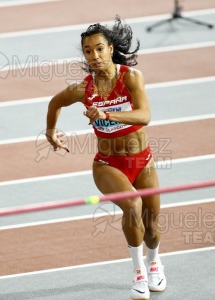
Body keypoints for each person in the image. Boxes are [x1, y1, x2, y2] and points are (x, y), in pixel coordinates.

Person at [46, 16, 166, 300]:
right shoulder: (82, 89)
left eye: (99, 48)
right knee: (133, 206)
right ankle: (138, 273)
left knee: (151, 225)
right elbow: (55, 102)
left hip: (143, 161)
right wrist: (51, 131)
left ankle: (155, 262)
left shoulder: (131, 77)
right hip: (108, 164)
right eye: (88, 51)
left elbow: (144, 115)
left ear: (111, 48)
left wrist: (106, 114)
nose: (94, 56)